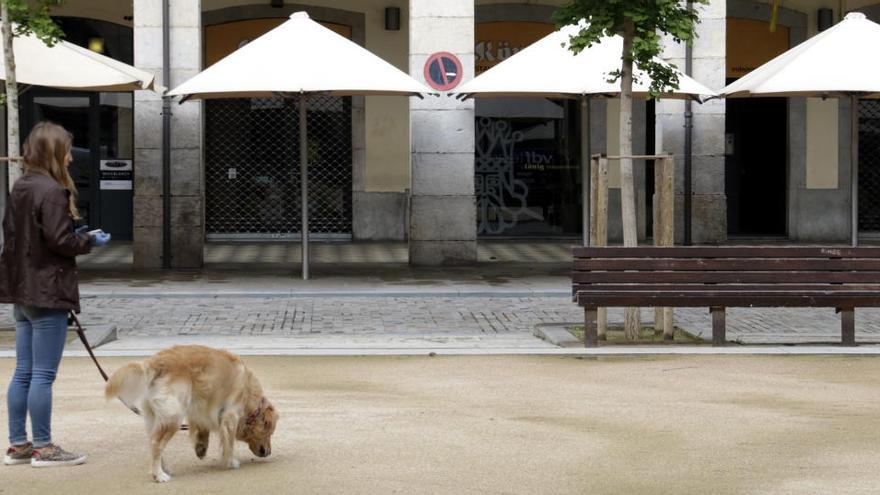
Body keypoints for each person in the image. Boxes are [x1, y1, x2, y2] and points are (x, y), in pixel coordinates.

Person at [0, 122, 111, 468]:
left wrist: (72, 232)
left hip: (23, 290)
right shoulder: (52, 191)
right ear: (53, 152)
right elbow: (60, 242)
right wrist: (88, 239)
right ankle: (45, 448)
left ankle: (18, 445)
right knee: (43, 375)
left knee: (23, 372)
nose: (69, 159)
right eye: (65, 151)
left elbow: (29, 236)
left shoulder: (21, 187)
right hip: (48, 291)